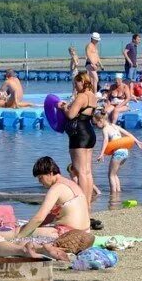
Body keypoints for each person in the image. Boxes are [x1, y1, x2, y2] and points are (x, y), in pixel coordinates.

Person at [3, 157, 92, 239]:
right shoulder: (70, 184)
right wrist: (31, 225)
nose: (39, 182)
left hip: (70, 234)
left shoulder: (56, 188)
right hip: (86, 232)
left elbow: (39, 218)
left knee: (19, 231)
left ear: (50, 173)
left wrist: (20, 236)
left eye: (41, 178)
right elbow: (50, 217)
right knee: (29, 227)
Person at [60, 71, 99, 200]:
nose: (75, 87)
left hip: (79, 134)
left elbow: (71, 115)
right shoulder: (93, 96)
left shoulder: (81, 96)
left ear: (82, 81)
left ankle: (82, 203)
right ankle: (87, 203)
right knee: (87, 171)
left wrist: (63, 108)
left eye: (76, 84)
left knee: (80, 171)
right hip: (89, 133)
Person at [93, 115, 142, 194]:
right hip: (125, 152)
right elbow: (128, 134)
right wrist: (137, 142)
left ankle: (113, 195)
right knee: (115, 174)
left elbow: (106, 141)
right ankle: (118, 192)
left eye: (96, 124)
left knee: (111, 175)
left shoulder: (105, 129)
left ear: (100, 120)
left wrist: (101, 154)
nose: (96, 126)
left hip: (118, 153)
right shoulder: (115, 126)